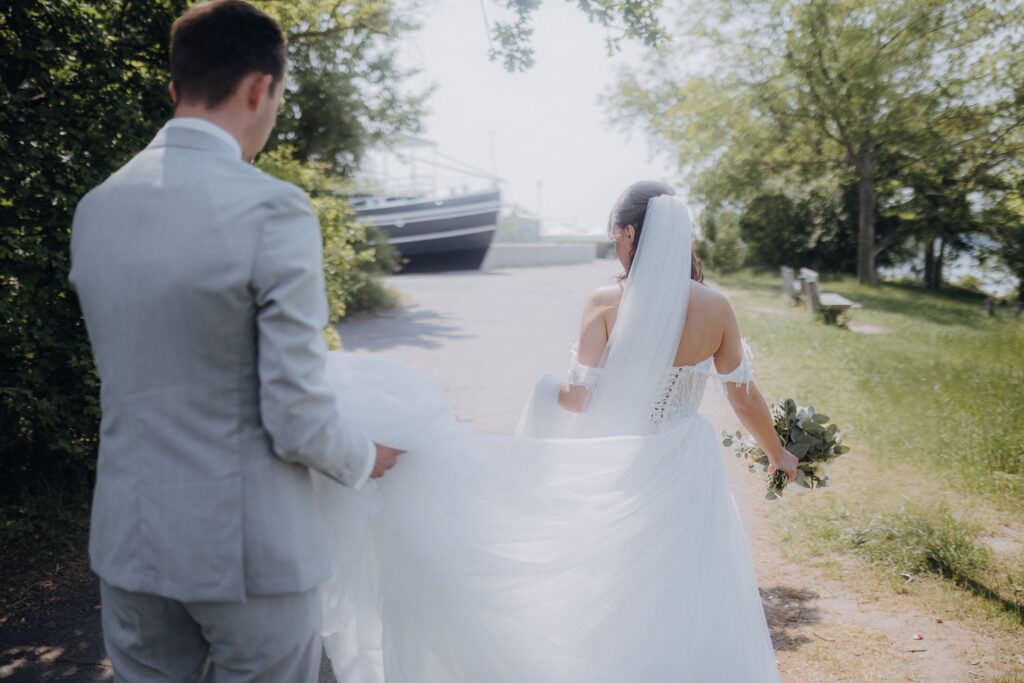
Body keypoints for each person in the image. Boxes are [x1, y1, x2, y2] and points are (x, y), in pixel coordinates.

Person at [313, 181, 795, 681]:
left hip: (620, 460)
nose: (616, 245)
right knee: (689, 579)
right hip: (686, 459)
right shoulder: (716, 306)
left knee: (615, 576)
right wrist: (777, 453)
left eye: (616, 235)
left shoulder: (605, 302)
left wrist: (544, 389)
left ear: (629, 233)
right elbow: (743, 396)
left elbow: (580, 398)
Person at [69, 1, 401, 680]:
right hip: (248, 552)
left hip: (129, 546)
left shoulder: (96, 208)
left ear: (174, 89)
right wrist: (368, 457)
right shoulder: (271, 207)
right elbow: (297, 415)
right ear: (260, 87)